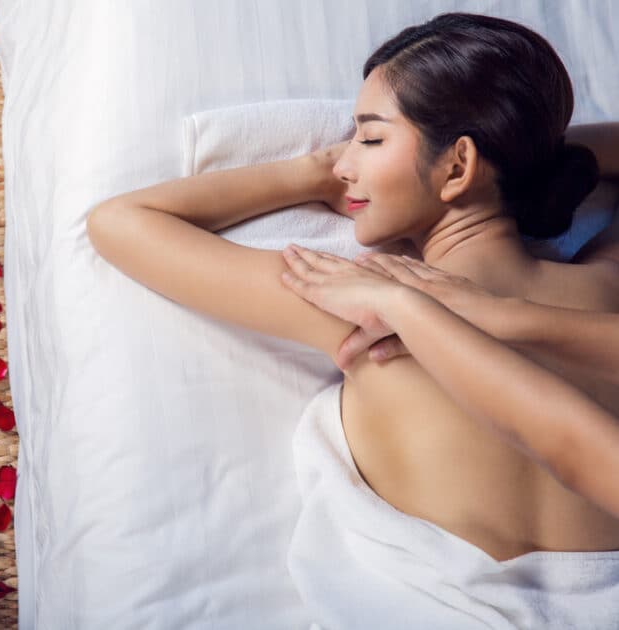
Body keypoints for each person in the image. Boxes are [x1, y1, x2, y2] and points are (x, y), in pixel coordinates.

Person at [87, 12, 619, 626]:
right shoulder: (603, 292)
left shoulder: (366, 310)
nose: (344, 164)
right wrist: (531, 150)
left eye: (368, 139)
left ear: (457, 166)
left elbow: (120, 223)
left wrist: (304, 173)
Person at [280, 247, 619, 521]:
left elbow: (577, 451)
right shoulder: (605, 281)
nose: (343, 167)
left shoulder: (356, 299)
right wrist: (504, 315)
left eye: (367, 154)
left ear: (459, 166)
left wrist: (402, 306)